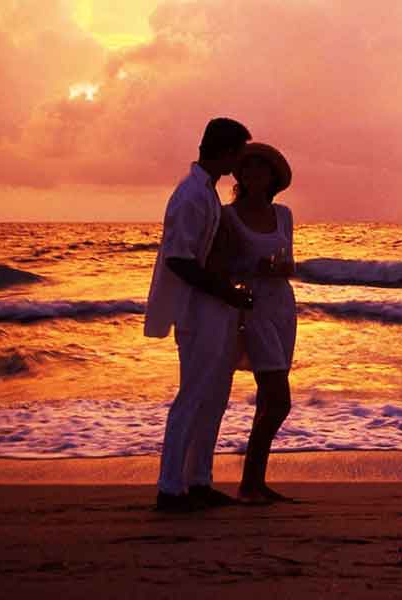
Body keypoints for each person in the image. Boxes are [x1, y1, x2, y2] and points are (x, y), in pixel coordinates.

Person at [144, 117, 253, 512]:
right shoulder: (190, 195)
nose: (240, 161)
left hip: (212, 308)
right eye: (237, 152)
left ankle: (199, 479)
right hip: (196, 311)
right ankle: (171, 487)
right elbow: (179, 259)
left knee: (213, 397)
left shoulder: (204, 192)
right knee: (193, 396)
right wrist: (222, 289)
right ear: (224, 151)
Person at [218, 143, 296, 505]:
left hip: (282, 304)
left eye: (260, 170)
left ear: (272, 178)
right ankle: (250, 480)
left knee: (268, 398)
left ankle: (254, 483)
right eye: (247, 170)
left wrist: (280, 269)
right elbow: (221, 266)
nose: (253, 176)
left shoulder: (283, 214)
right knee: (279, 399)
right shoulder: (228, 217)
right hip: (253, 306)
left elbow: (289, 263)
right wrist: (252, 270)